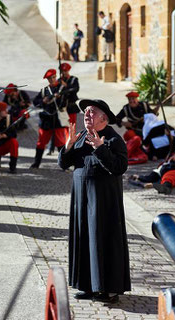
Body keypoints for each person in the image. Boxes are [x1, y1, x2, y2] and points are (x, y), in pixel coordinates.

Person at [58, 99, 130, 302]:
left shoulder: (114, 140)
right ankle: (88, 286)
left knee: (103, 241)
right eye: (86, 112)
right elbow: (64, 163)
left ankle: (109, 289)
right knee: (84, 241)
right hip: (82, 201)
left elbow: (119, 167)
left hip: (104, 202)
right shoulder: (80, 136)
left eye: (92, 112)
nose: (87, 115)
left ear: (104, 118)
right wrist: (69, 145)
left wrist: (100, 147)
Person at [31, 69, 69, 169]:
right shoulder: (44, 91)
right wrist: (43, 100)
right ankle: (36, 163)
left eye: (53, 77)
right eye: (49, 78)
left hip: (57, 119)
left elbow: (65, 103)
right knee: (41, 143)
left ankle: (64, 164)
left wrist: (61, 95)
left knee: (60, 142)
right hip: (46, 119)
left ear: (55, 76)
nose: (52, 80)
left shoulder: (62, 88)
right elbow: (35, 102)